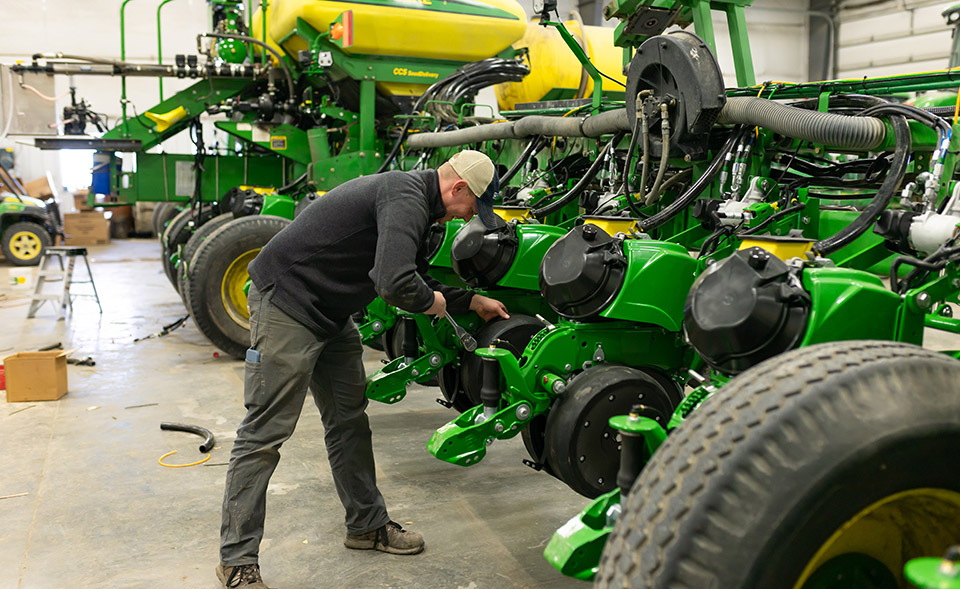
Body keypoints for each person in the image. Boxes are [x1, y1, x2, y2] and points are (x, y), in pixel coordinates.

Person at [216, 150, 510, 588]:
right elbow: (393, 282)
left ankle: (367, 525)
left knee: (349, 421)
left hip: (330, 314)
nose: (470, 217)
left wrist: (470, 301)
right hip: (286, 304)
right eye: (473, 207)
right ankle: (236, 559)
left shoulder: (423, 210)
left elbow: (414, 275)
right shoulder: (405, 194)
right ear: (459, 188)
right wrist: (433, 304)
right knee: (265, 432)